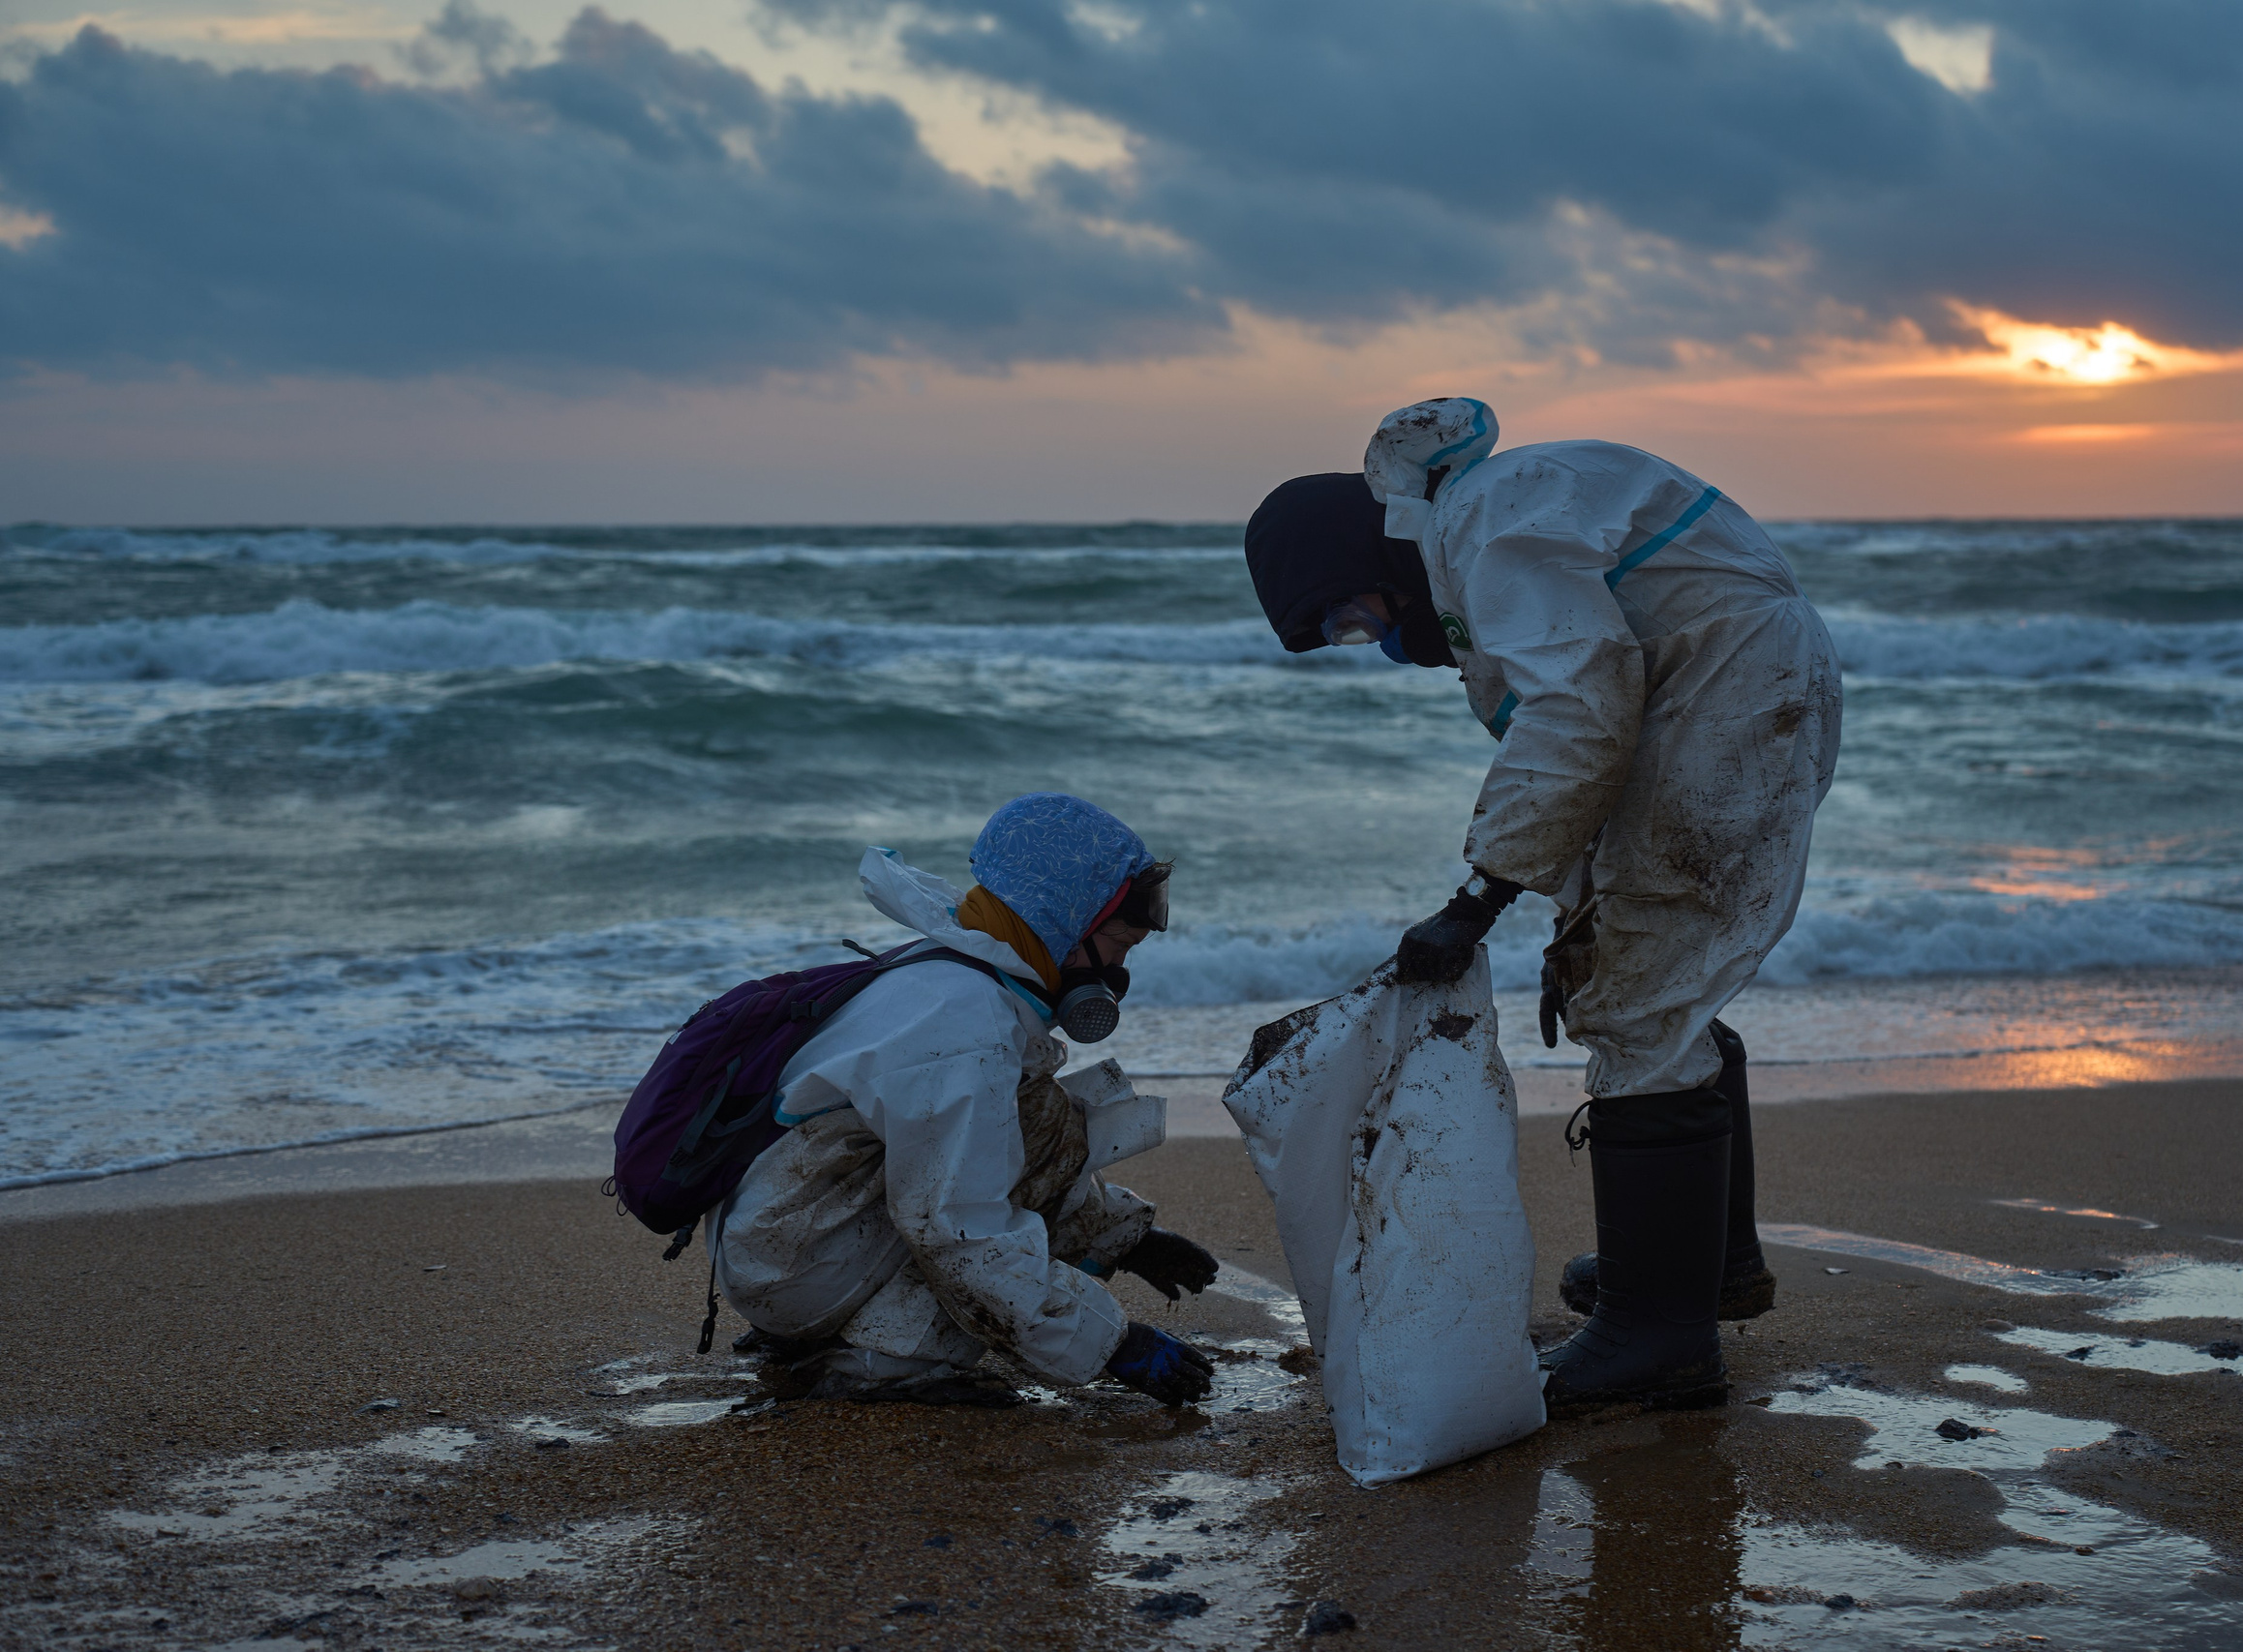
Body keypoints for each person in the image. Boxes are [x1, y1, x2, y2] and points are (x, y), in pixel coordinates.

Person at [1243, 402, 1840, 1409]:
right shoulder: (1486, 523)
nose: (1375, 640)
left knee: (1645, 994)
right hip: (1717, 683)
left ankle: (1661, 1338)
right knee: (1650, 974)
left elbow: (1578, 706)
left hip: (1728, 690)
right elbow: (1586, 719)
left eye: (1355, 616)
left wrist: (1478, 897)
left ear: (1372, 551)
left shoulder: (1486, 522)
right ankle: (1704, 1271)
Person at [710, 793, 1219, 1406]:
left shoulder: (959, 969)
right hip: (798, 1266)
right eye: (1118, 945)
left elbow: (1023, 1144)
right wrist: (1111, 1343)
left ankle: (824, 1328)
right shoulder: (965, 1027)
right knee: (962, 1238)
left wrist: (1121, 1237)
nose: (1117, 972)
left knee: (1042, 1114)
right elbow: (960, 1231)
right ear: (1060, 921)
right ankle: (881, 1364)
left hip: (790, 1235)